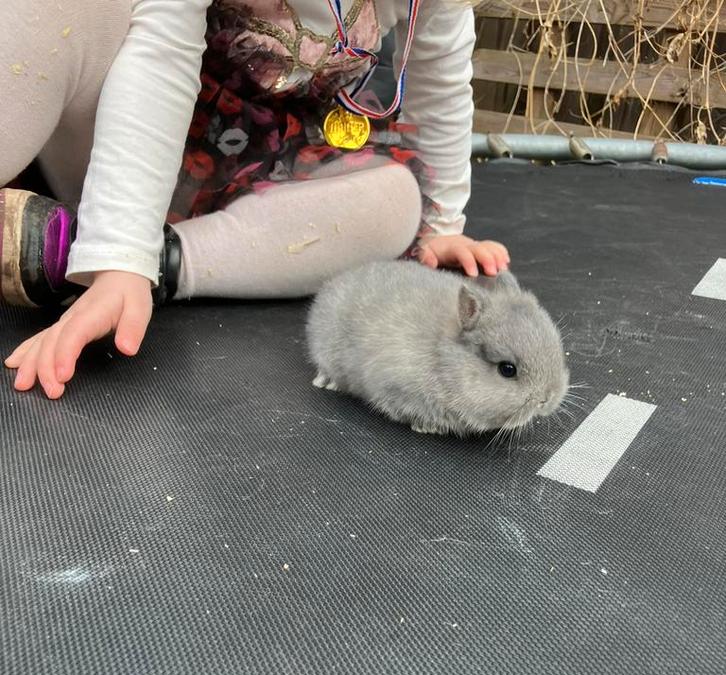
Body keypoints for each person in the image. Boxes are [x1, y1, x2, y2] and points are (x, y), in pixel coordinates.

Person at [0, 0, 510, 399]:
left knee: (396, 201)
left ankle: (127, 256)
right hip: (118, 135)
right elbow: (160, 55)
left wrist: (442, 224)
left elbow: (440, 82)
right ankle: (111, 251)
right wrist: (116, 247)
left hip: (246, 168)